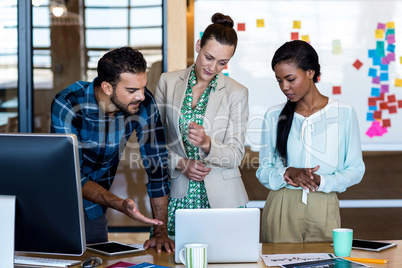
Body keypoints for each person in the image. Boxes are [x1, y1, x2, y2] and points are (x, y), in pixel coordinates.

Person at [51, 47, 172, 248]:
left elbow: (157, 166)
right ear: (107, 88)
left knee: (97, 259)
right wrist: (120, 204)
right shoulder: (68, 103)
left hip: (95, 206)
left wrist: (160, 230)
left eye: (143, 87)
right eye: (132, 90)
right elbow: (71, 174)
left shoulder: (144, 102)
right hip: (56, 198)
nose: (141, 96)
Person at [150, 12, 249, 244]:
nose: (213, 67)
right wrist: (180, 163)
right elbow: (153, 143)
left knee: (226, 259)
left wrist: (207, 143)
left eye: (222, 63)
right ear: (198, 46)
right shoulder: (167, 81)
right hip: (178, 195)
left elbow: (236, 154)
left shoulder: (237, 92)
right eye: (208, 57)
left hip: (225, 200)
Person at [256, 40, 365, 243]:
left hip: (324, 207)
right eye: (279, 81)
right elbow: (263, 171)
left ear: (310, 72)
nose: (284, 87)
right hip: (282, 208)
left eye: (290, 79)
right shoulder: (273, 115)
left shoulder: (343, 113)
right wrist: (287, 172)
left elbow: (355, 169)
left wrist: (322, 181)